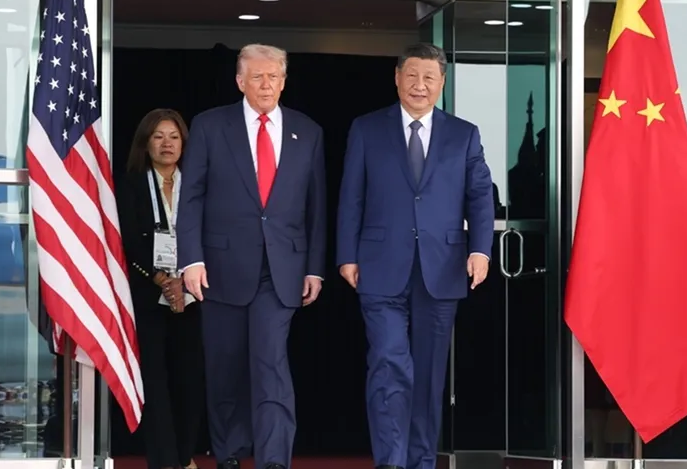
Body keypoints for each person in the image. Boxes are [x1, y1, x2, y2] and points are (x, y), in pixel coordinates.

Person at [336, 43, 494, 469]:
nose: (419, 85)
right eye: (411, 75)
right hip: (379, 266)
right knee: (388, 362)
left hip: (441, 269)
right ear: (396, 78)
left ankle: (421, 460)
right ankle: (391, 460)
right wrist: (346, 254)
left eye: (428, 77)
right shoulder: (367, 129)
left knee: (427, 375)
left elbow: (480, 197)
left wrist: (481, 249)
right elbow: (351, 196)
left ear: (442, 82)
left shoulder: (464, 134)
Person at [177, 44, 327, 469]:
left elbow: (316, 206)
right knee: (225, 366)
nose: (266, 85)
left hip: (281, 270)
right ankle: (229, 452)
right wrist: (191, 259)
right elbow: (191, 197)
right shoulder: (210, 125)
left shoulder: (307, 131)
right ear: (240, 81)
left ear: (284, 81)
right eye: (257, 77)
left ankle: (274, 458)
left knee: (270, 362)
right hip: (220, 267)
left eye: (274, 77)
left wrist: (315, 268)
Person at [117, 108, 205, 469]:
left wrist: (183, 279)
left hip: (193, 293)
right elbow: (127, 238)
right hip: (148, 293)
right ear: (145, 143)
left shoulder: (198, 184)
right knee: (155, 380)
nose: (167, 144)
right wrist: (160, 278)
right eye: (158, 136)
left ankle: (184, 457)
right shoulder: (131, 184)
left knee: (189, 379)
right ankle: (164, 460)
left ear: (184, 143)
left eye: (174, 136)